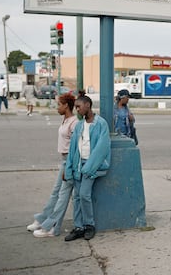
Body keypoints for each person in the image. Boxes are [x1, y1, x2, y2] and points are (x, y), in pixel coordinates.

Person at [26, 93, 78, 237]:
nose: (57, 108)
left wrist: (69, 166)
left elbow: (76, 147)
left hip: (70, 161)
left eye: (59, 105)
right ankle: (43, 220)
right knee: (56, 192)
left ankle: (52, 227)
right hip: (64, 161)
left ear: (66, 105)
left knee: (63, 196)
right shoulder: (66, 120)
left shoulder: (74, 122)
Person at [64, 92, 111, 241]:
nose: (77, 109)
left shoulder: (100, 123)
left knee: (84, 195)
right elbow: (72, 149)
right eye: (76, 107)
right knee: (76, 197)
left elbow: (101, 148)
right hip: (78, 165)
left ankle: (89, 225)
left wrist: (89, 168)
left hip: (91, 166)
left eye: (79, 106)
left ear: (87, 105)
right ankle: (79, 227)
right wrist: (69, 168)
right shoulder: (79, 126)